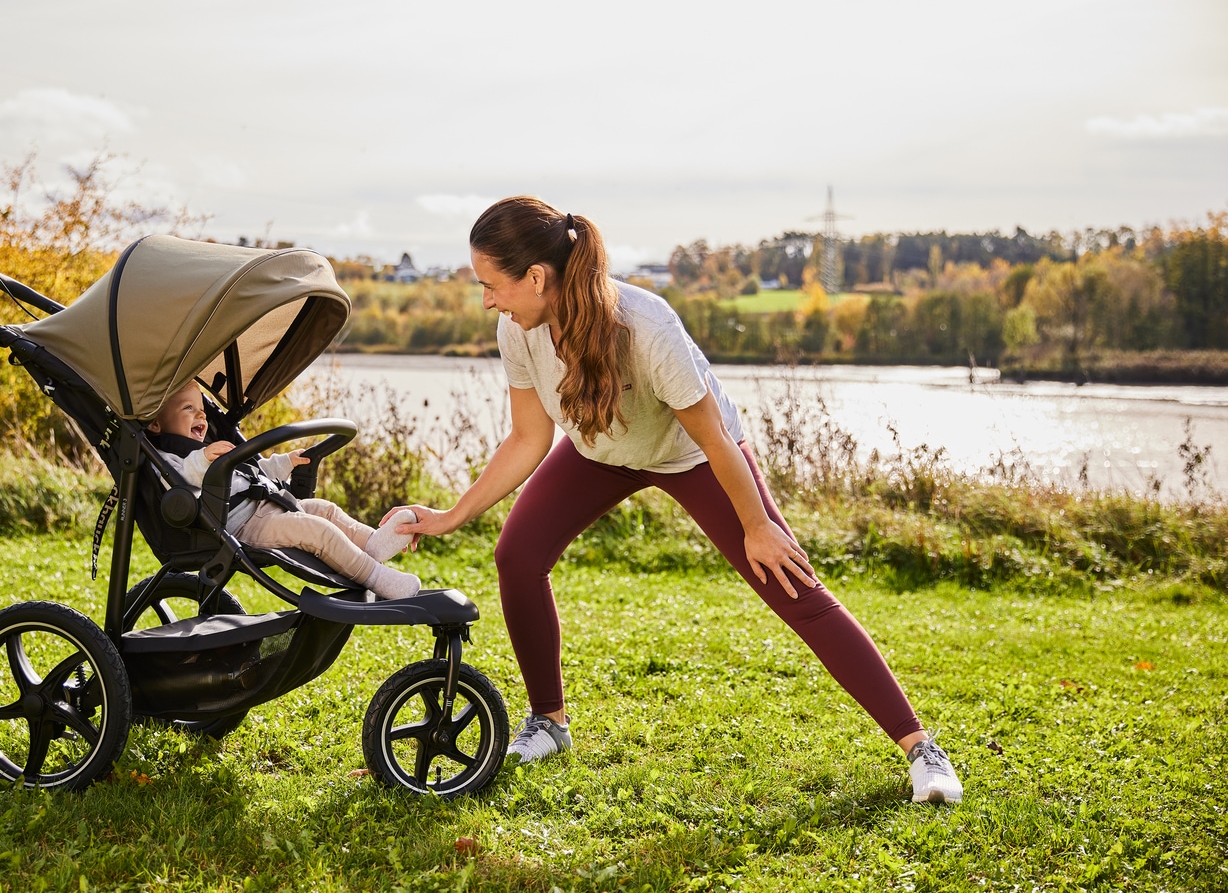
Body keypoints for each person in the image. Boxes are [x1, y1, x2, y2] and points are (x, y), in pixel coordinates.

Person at [386, 196, 962, 803]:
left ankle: (921, 747)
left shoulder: (647, 326)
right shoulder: (519, 330)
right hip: (600, 452)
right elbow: (530, 437)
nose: (487, 301)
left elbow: (714, 438)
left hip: (691, 455)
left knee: (793, 585)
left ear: (536, 277)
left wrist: (757, 524)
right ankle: (548, 723)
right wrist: (454, 515)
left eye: (491, 285)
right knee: (517, 555)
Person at [148, 384, 423, 600]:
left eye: (201, 410)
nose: (200, 415)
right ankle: (375, 576)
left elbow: (252, 471)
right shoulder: (170, 459)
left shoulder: (210, 446)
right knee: (316, 531)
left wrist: (285, 462)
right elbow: (181, 482)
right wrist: (204, 459)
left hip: (267, 504)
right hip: (239, 526)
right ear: (156, 424)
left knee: (325, 509)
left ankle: (372, 544)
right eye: (188, 408)